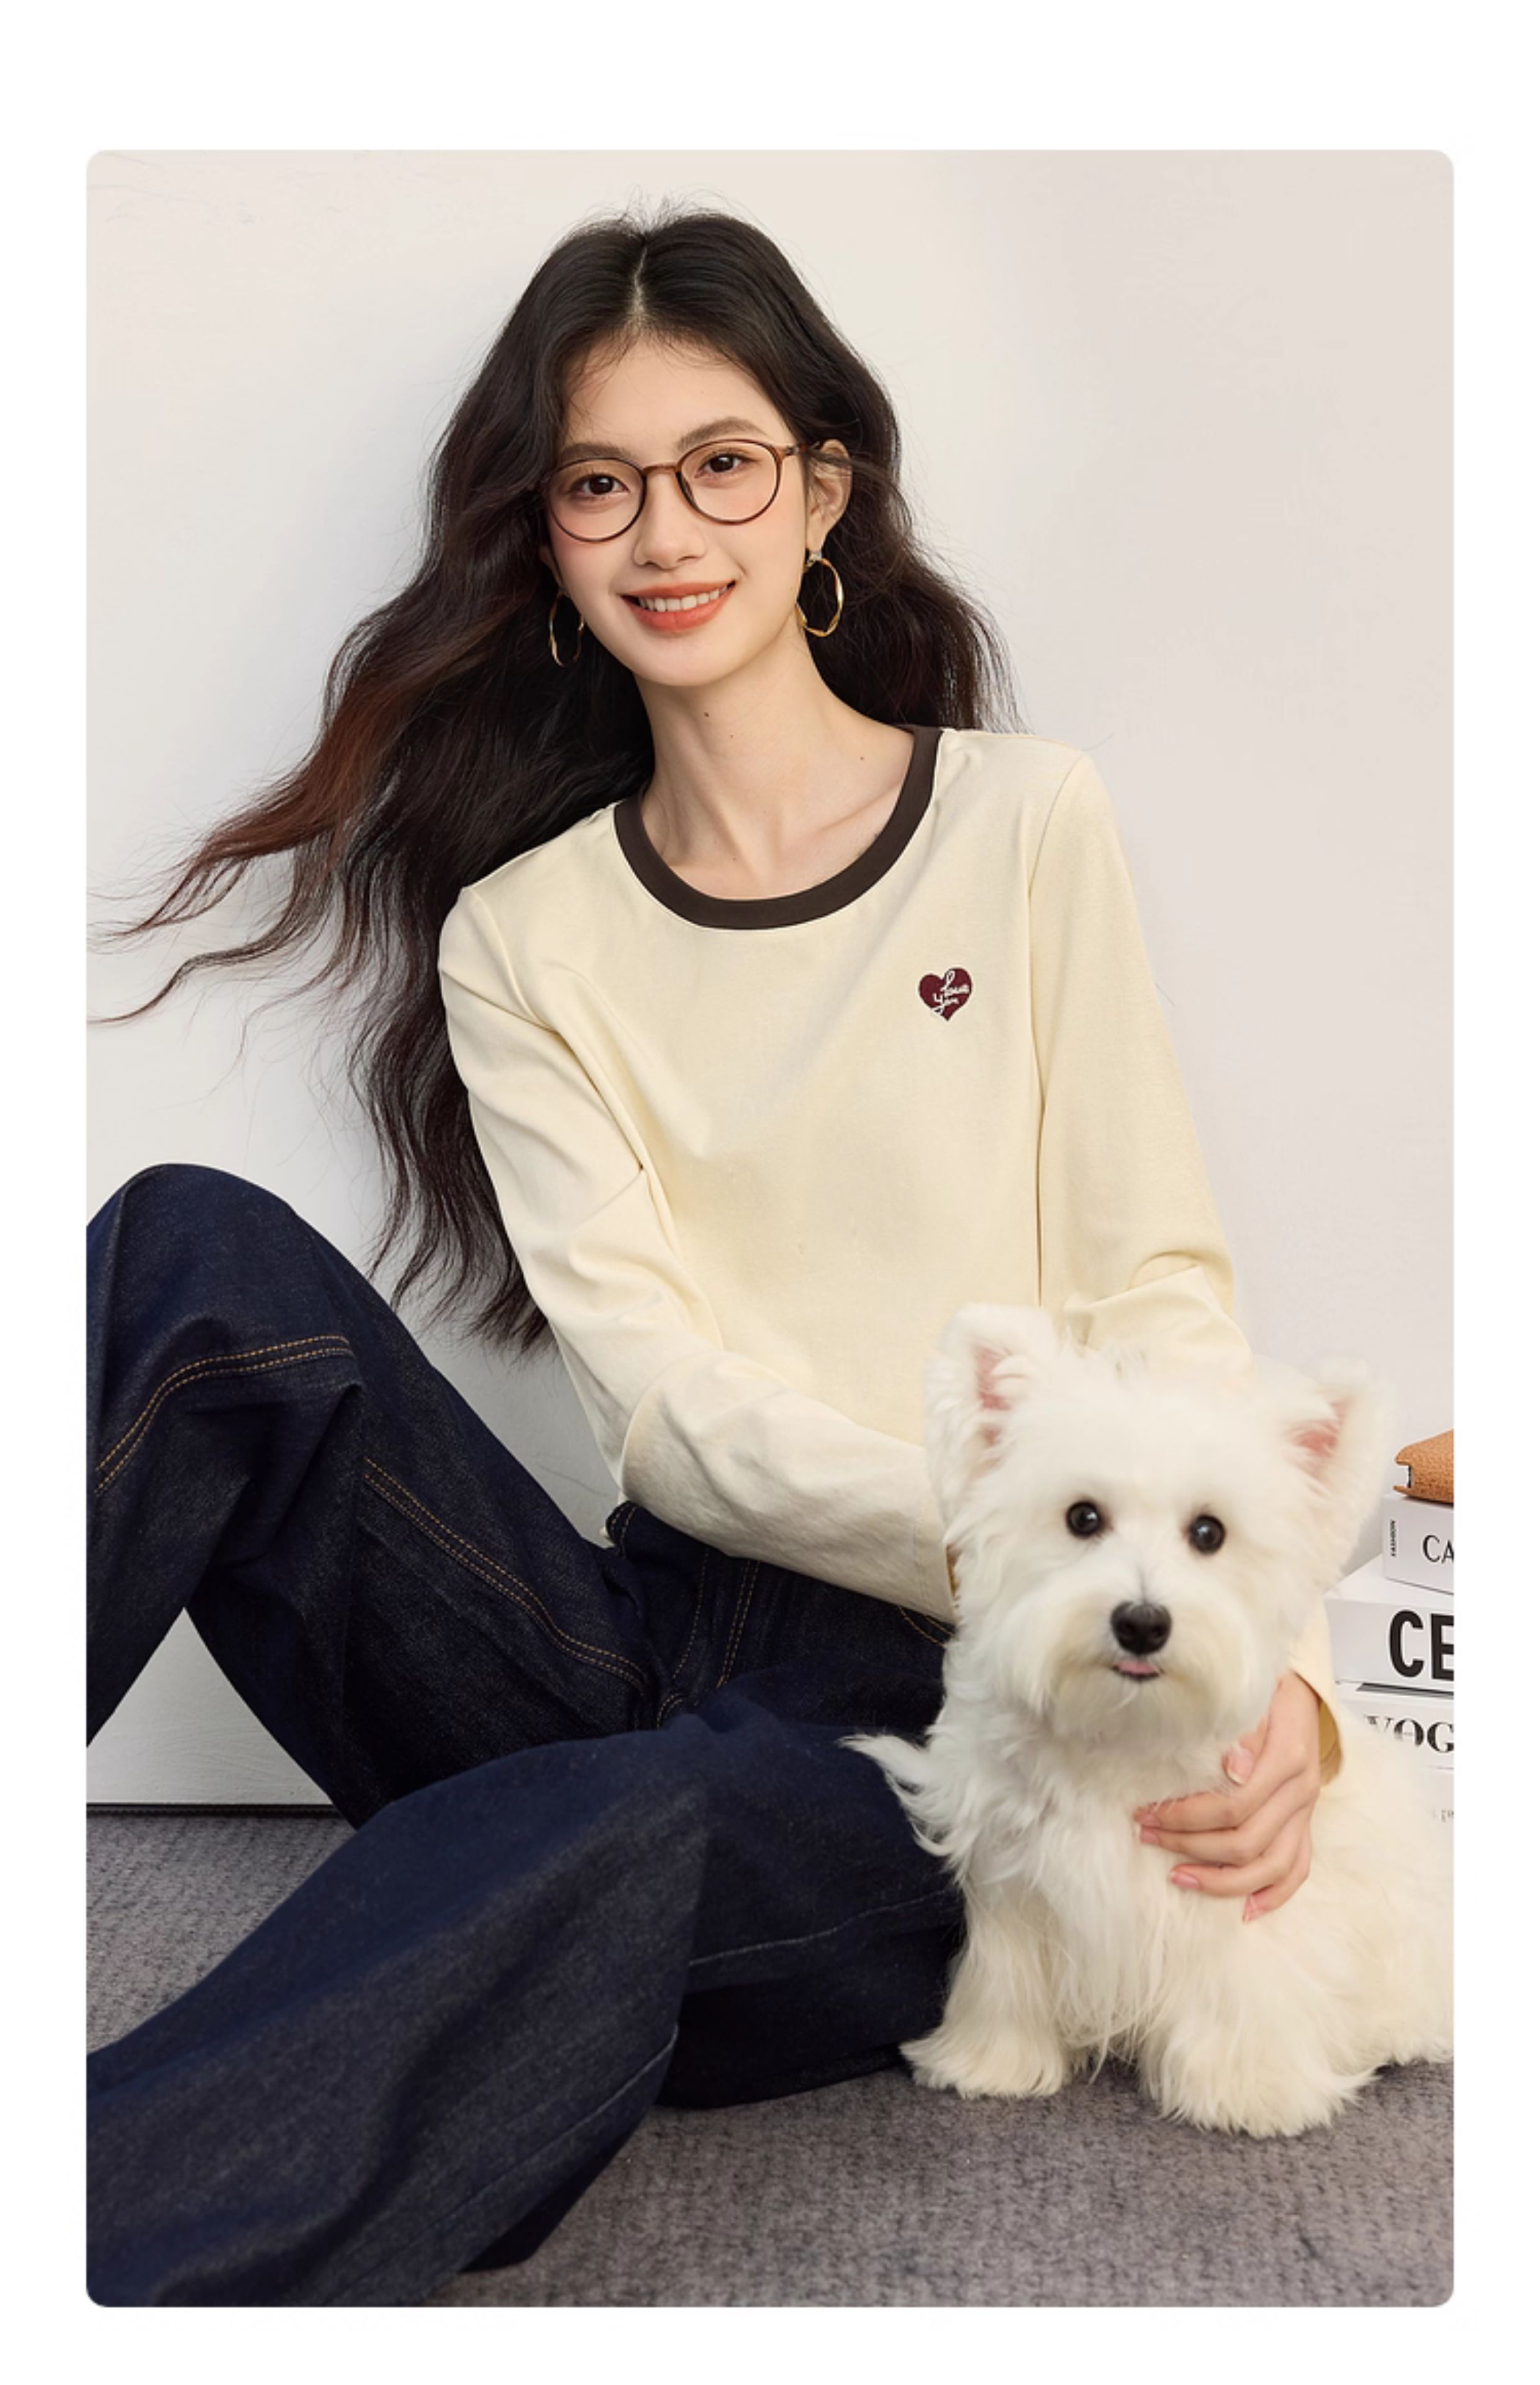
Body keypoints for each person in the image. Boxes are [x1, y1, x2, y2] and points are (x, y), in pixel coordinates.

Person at [86, 201, 1342, 2307]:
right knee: (193, 1264)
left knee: (601, 1831)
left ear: (823, 490)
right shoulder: (525, 935)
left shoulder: (1026, 823)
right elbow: (665, 1418)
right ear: (548, 540)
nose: (665, 531)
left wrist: (1241, 1637)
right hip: (633, 1626)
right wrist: (1013, 1527)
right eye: (601, 484)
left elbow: (1160, 1299)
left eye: (721, 464)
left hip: (947, 1726)